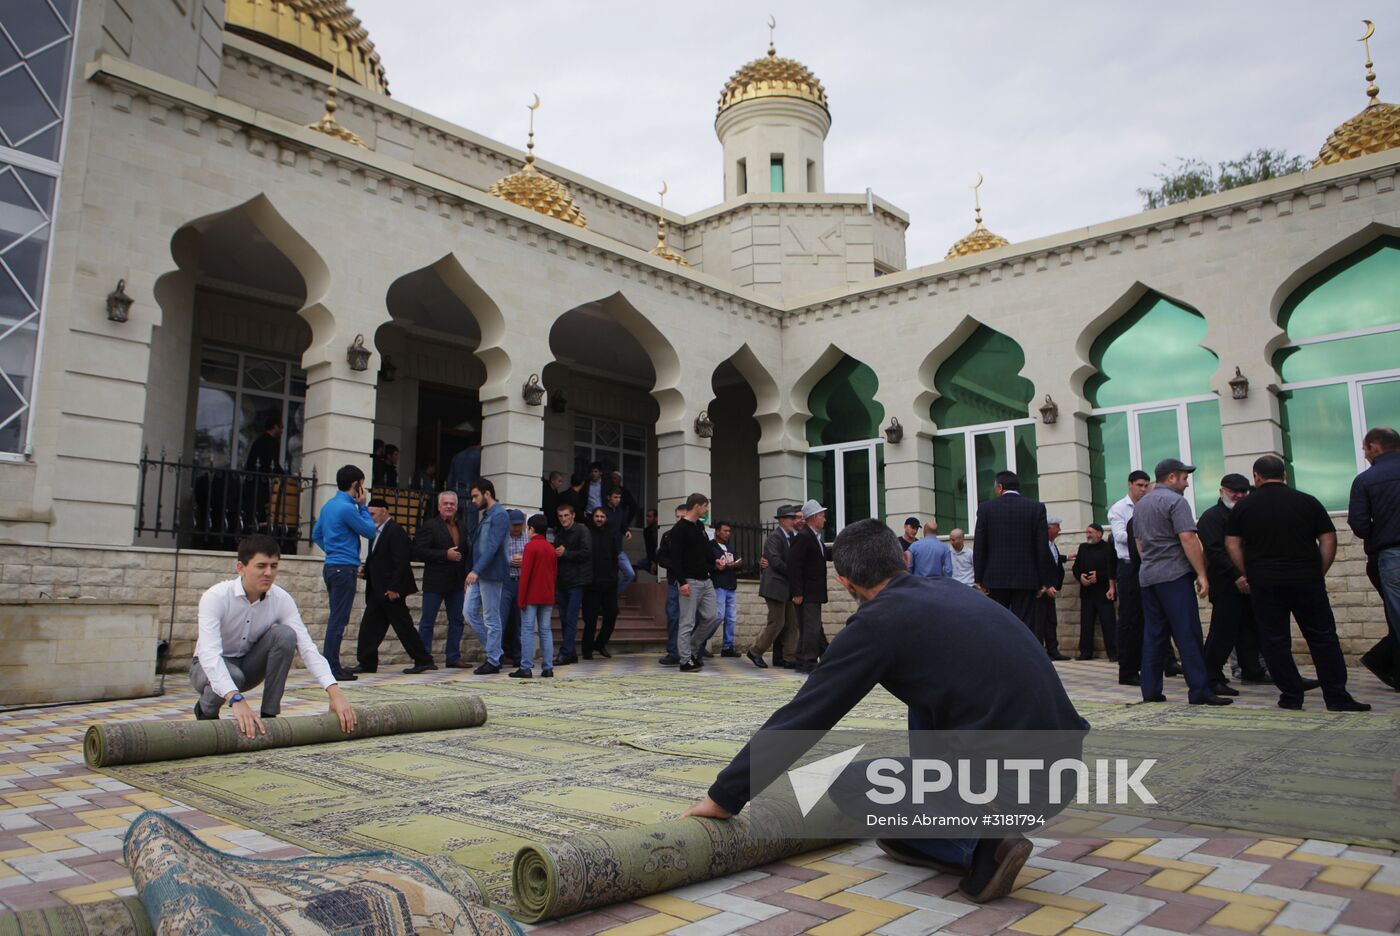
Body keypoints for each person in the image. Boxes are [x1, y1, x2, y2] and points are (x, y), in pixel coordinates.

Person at [682, 520, 1089, 904]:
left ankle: (982, 845)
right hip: (1064, 769)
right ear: (905, 560)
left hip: (1015, 787)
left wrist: (724, 797)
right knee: (922, 700)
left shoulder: (879, 623)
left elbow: (804, 717)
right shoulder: (952, 592)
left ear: (844, 582)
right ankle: (952, 823)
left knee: (849, 785)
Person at [1227, 455, 1370, 712]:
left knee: (1274, 639)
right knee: (1323, 637)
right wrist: (1319, 570)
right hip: (1306, 579)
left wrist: (1249, 572)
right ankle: (1337, 697)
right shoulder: (1307, 502)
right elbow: (1328, 539)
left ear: (1256, 477)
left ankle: (1291, 696)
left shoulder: (1244, 508)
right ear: (1284, 475)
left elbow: (1232, 544)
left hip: (1266, 582)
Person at [192, 534, 356, 738]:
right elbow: (209, 655)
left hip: (248, 666)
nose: (268, 573)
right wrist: (236, 700)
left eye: (274, 566)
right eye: (261, 566)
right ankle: (206, 711)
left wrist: (335, 692)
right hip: (206, 668)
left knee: (286, 635)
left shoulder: (281, 598)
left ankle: (270, 715)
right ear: (240, 568)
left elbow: (306, 647)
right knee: (232, 675)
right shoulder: (215, 597)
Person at [1134, 459, 1228, 706]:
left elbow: (1140, 543)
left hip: (1148, 576)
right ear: (1172, 478)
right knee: (1187, 633)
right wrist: (1201, 573)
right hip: (1174, 575)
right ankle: (1199, 690)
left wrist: (1151, 563)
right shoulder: (1176, 502)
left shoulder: (1141, 504)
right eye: (1184, 478)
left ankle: (1151, 691)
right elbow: (1187, 538)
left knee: (1154, 635)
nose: (1187, 483)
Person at [1197, 473, 1265, 696]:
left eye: (1242, 491)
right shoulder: (1211, 517)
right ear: (1222, 491)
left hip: (1250, 582)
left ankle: (1252, 670)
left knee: (1249, 629)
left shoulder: (1248, 514)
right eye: (1233, 491)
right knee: (1222, 632)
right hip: (1226, 583)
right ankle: (1211, 676)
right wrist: (1236, 575)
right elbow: (1216, 552)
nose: (1238, 495)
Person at [353, 498, 437, 674]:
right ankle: (367, 662)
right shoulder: (375, 532)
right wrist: (365, 571)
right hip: (378, 589)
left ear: (384, 511)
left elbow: (401, 562)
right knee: (370, 626)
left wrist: (394, 588)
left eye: (373, 513)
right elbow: (377, 558)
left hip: (390, 591)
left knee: (403, 626)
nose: (370, 517)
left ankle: (423, 659)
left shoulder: (395, 531)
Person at [310, 464, 377, 680]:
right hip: (343, 568)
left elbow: (316, 534)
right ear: (356, 485)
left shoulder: (330, 505)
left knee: (336, 617)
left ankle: (332, 664)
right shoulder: (348, 508)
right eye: (362, 485)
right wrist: (364, 506)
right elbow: (369, 531)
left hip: (331, 566)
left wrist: (332, 551)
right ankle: (331, 667)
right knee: (339, 619)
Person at [1349, 426, 1400, 691]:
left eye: (1365, 450)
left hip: (1391, 555)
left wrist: (1380, 529)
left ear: (1375, 447)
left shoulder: (1366, 480)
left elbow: (1359, 525)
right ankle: (1384, 663)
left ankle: (1382, 661)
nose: (1365, 455)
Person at [973, 471, 1054, 632]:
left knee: (997, 622)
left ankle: (1000, 656)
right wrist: (1044, 581)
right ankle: (1023, 656)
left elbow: (980, 545)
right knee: (1025, 625)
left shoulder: (985, 509)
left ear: (1000, 487)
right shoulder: (1036, 508)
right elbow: (1042, 546)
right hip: (1026, 577)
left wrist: (979, 578)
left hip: (995, 577)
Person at [412, 491, 468, 668]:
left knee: (457, 621)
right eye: (446, 504)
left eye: (452, 504)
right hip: (435, 582)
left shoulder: (463, 526)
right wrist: (445, 554)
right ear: (438, 506)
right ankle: (424, 658)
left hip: (457, 582)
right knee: (428, 621)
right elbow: (419, 551)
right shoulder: (429, 526)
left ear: (457, 507)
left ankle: (453, 657)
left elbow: (466, 553)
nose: (449, 506)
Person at [1109, 471, 1151, 687]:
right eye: (1139, 485)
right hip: (1128, 567)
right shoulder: (1119, 509)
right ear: (1130, 485)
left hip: (1147, 564)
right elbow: (1119, 536)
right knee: (1129, 620)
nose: (1143, 489)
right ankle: (1128, 670)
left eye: (1146, 485)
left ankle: (1161, 663)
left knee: (1151, 616)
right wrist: (1144, 535)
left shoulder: (1148, 506)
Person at [465, 478, 509, 674]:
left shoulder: (499, 515)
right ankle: (496, 652)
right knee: (468, 612)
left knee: (491, 617)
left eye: (475, 496)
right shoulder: (487, 514)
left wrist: (476, 570)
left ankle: (493, 658)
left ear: (487, 494)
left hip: (489, 573)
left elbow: (492, 546)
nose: (473, 500)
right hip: (479, 571)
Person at [749, 504, 799, 668]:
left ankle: (789, 657)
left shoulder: (790, 537)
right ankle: (756, 651)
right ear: (783, 520)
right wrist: (795, 572)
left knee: (792, 623)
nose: (794, 521)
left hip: (787, 587)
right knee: (777, 623)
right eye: (791, 518)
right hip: (775, 587)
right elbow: (776, 562)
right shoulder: (774, 538)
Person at [673, 493, 719, 672]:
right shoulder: (679, 529)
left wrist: (715, 562)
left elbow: (706, 550)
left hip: (706, 581)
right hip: (689, 582)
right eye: (705, 506)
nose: (707, 510)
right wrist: (682, 582)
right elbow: (676, 559)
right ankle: (685, 661)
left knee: (713, 617)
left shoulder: (699, 526)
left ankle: (692, 649)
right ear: (697, 506)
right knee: (687, 622)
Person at [787, 500, 831, 674]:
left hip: (814, 592)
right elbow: (794, 565)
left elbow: (823, 554)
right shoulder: (804, 537)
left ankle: (809, 658)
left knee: (812, 627)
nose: (824, 519)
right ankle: (808, 661)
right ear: (813, 517)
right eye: (821, 515)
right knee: (811, 628)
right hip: (806, 592)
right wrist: (797, 592)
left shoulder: (814, 537)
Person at [512, 514, 557, 679]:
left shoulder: (530, 547)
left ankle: (525, 667)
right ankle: (548, 667)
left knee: (527, 631)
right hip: (547, 595)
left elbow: (525, 576)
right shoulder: (551, 548)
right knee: (545, 630)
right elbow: (554, 574)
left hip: (531, 596)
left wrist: (521, 599)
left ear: (531, 529)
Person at [1070, 523, 1116, 661]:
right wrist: (1081, 577)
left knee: (1109, 624)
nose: (1088, 535)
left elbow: (1112, 569)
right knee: (1086, 624)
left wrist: (1099, 576)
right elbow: (1076, 567)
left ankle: (1114, 653)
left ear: (1099, 534)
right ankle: (1085, 653)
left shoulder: (1108, 548)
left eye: (1090, 532)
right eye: (1087, 532)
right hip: (1087, 593)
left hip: (1103, 592)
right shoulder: (1083, 548)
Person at [553, 503, 592, 665]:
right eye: (561, 516)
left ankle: (566, 652)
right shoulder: (559, 533)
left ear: (573, 515)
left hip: (577, 580)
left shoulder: (582, 530)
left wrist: (565, 553)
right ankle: (571, 653)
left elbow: (586, 552)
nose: (563, 519)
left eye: (566, 515)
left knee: (570, 617)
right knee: (564, 617)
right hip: (562, 581)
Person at [582, 506, 620, 659]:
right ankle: (587, 649)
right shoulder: (587, 533)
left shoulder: (611, 535)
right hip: (591, 584)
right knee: (590, 619)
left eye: (602, 516)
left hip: (609, 583)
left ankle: (600, 644)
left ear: (606, 518)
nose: (599, 519)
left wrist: (614, 577)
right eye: (597, 516)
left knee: (611, 614)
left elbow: (614, 558)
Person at [1032, 517, 1070, 660]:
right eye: (1057, 527)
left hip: (1051, 589)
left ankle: (1053, 650)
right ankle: (1039, 652)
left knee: (1051, 621)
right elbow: (1040, 565)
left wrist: (1065, 558)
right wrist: (1044, 586)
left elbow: (1053, 559)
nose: (1059, 530)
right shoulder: (1040, 544)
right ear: (1048, 528)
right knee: (1039, 622)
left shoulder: (1052, 544)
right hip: (1042, 591)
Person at [654, 504, 686, 665]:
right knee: (673, 616)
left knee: (699, 617)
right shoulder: (668, 536)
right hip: (674, 581)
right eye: (677, 517)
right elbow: (660, 557)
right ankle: (673, 652)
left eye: (683, 516)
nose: (680, 520)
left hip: (692, 582)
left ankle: (693, 650)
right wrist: (673, 565)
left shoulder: (692, 534)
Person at [711, 520, 744, 657]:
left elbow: (738, 562)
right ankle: (700, 642)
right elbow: (708, 564)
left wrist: (737, 564)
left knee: (731, 618)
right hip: (718, 585)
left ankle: (727, 647)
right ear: (717, 531)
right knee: (718, 616)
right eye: (725, 530)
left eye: (729, 531)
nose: (727, 533)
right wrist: (718, 566)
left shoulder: (729, 547)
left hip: (731, 585)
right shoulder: (711, 546)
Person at [501, 509, 528, 668]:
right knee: (501, 621)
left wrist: (524, 561)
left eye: (520, 525)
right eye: (514, 525)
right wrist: (510, 561)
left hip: (521, 582)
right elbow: (496, 556)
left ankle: (518, 656)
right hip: (506, 581)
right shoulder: (503, 537)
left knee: (520, 621)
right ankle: (499, 656)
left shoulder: (527, 537)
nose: (517, 528)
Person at [603, 488, 636, 595]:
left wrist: (627, 531)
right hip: (605, 551)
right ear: (609, 497)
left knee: (630, 574)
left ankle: (613, 595)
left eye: (619, 497)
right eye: (615, 497)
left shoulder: (621, 511)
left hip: (618, 550)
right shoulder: (602, 511)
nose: (618, 500)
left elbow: (623, 526)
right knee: (607, 577)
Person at [642, 507, 660, 576]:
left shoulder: (659, 528)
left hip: (660, 556)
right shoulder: (647, 531)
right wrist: (653, 562)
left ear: (656, 518)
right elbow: (649, 548)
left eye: (650, 516)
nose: (647, 519)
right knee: (641, 563)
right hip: (652, 556)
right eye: (647, 516)